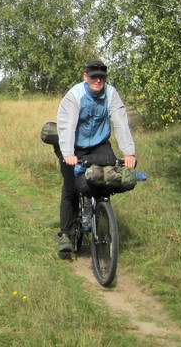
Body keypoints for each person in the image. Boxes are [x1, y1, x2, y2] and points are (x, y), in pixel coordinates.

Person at [55, 59, 136, 258]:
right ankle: (65, 235)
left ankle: (100, 216)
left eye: (101, 77)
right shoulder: (75, 96)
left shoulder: (111, 93)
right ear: (85, 76)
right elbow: (66, 127)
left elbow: (120, 122)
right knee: (71, 188)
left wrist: (129, 153)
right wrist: (68, 155)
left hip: (99, 145)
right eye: (94, 77)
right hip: (74, 146)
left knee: (106, 179)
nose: (98, 81)